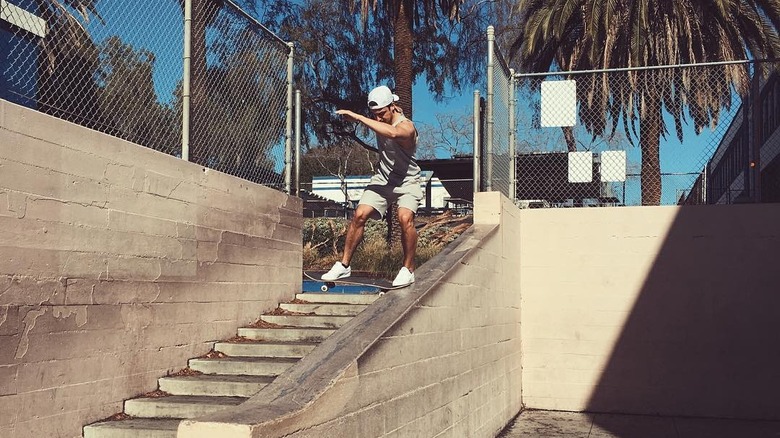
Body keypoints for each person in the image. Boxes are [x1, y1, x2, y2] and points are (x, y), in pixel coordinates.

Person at [321, 85, 423, 286]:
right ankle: (344, 265)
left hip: (408, 181)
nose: (378, 119)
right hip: (383, 179)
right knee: (359, 214)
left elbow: (393, 133)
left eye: (381, 114)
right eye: (374, 115)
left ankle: (408, 269)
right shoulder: (387, 112)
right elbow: (385, 120)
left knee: (405, 218)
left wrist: (358, 117)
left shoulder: (407, 127)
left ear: (392, 107)